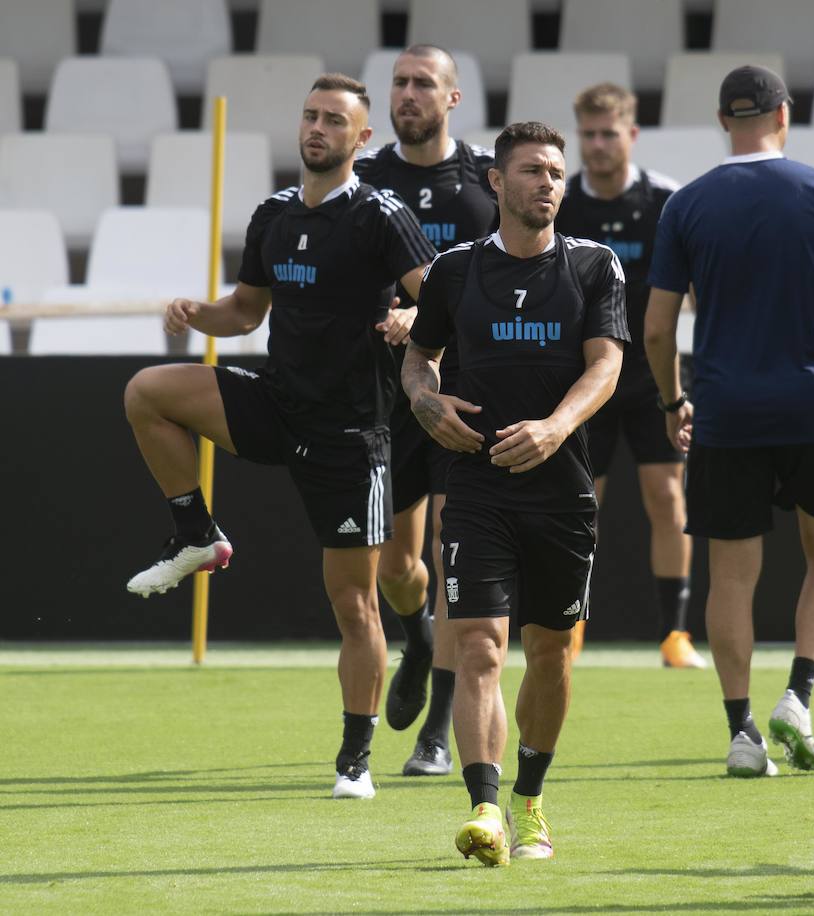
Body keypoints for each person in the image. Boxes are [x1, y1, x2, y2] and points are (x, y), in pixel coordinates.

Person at [122, 74, 435, 800]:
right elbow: (245, 314)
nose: (317, 128)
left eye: (334, 120)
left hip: (353, 433)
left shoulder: (380, 215)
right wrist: (195, 313)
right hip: (278, 405)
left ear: (362, 139)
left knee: (354, 605)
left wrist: (416, 322)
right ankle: (196, 533)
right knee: (147, 392)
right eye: (310, 115)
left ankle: (354, 761)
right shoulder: (273, 214)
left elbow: (440, 298)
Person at [642, 65, 814, 779]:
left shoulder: (687, 204)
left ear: (723, 120)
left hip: (726, 412)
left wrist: (674, 403)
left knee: (730, 577)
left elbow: (656, 329)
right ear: (783, 115)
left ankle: (740, 731)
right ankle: (798, 693)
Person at [402, 121, 627, 865]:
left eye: (556, 172)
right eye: (532, 170)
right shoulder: (454, 271)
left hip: (561, 491)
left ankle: (532, 798)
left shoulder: (594, 266)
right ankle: (487, 809)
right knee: (479, 649)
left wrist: (557, 427)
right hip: (474, 488)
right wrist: (424, 401)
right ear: (497, 182)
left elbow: (605, 366)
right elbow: (419, 360)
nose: (548, 184)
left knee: (553, 654)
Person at [353, 44, 499, 777]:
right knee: (396, 566)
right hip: (392, 392)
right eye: (399, 84)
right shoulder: (366, 178)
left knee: (452, 554)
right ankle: (417, 636)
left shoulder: (482, 178)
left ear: (453, 98)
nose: (407, 94)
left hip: (469, 391)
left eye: (422, 84)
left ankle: (437, 734)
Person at [554, 82, 703, 669]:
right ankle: (570, 626)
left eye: (607, 133)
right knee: (579, 505)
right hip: (585, 379)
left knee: (668, 500)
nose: (597, 144)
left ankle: (675, 635)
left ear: (631, 135)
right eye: (587, 134)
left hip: (653, 378)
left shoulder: (666, 201)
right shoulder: (562, 202)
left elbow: (697, 289)